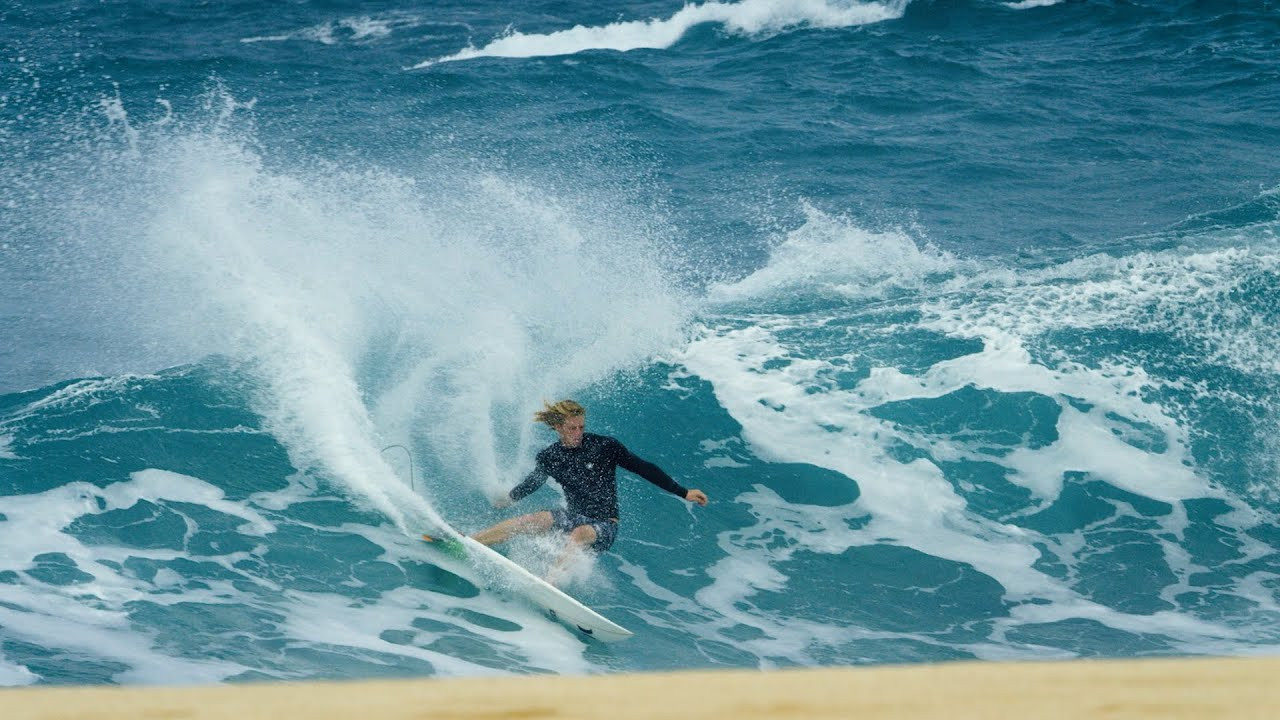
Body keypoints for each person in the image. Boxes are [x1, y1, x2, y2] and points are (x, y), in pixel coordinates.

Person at [472, 399, 708, 583]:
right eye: (571, 428)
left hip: (604, 525)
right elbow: (533, 483)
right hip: (573, 517)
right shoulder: (550, 456)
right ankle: (473, 542)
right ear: (557, 427)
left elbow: (642, 467)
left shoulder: (604, 446)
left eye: (581, 427)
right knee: (536, 519)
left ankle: (550, 583)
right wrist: (509, 498)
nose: (578, 433)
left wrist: (683, 492)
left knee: (580, 534)